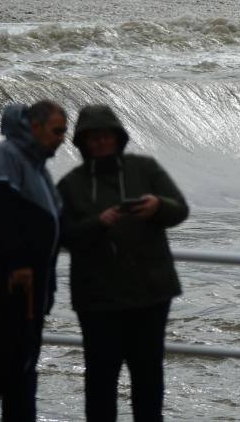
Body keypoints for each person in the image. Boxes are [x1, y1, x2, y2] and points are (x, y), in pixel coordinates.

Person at [57, 104, 188, 422]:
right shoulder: (70, 184)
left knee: (148, 378)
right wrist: (98, 223)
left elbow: (180, 210)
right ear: (82, 143)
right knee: (101, 380)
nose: (100, 143)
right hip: (98, 300)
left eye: (106, 137)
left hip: (151, 293)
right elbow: (61, 237)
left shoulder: (145, 169)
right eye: (93, 138)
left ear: (118, 138)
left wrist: (158, 206)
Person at [0, 100, 67, 422]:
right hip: (4, 291)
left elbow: (51, 223)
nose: (63, 138)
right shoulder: (3, 157)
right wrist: (18, 264)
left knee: (20, 373)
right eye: (57, 130)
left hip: (30, 293)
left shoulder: (35, 166)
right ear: (34, 127)